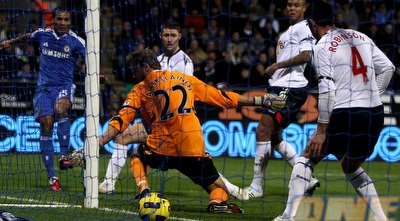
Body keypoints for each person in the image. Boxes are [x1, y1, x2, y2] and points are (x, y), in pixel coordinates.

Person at [98, 47, 285, 213]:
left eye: (134, 69)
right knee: (219, 189)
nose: (132, 74)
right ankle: (216, 202)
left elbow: (122, 119)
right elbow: (223, 98)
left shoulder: (140, 88)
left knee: (138, 155)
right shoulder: (187, 80)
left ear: (146, 67)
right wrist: (260, 100)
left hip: (161, 148)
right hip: (192, 148)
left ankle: (144, 191)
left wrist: (98, 143)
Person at [273, 1, 394, 220]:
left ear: (311, 23)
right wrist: (369, 94)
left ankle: (287, 217)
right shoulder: (360, 36)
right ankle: (381, 218)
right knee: (350, 165)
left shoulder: (321, 46)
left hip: (346, 112)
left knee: (308, 157)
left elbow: (327, 89)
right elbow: (388, 68)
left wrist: (321, 130)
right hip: (374, 114)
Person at [0, 8, 85, 191]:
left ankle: (64, 156)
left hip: (63, 86)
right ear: (53, 20)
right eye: (59, 19)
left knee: (60, 110)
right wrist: (9, 42)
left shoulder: (77, 41)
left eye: (66, 19)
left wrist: (97, 72)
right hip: (43, 88)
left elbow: (91, 58)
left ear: (70, 21)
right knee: (46, 125)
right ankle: (52, 177)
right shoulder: (43, 34)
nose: (63, 22)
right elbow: (27, 36)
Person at [244, 0, 320, 198]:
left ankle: (256, 187)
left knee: (262, 131)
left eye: (296, 5)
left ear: (305, 7)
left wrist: (277, 66)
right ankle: (307, 179)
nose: (292, 8)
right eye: (289, 4)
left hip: (290, 86)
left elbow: (306, 56)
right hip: (280, 86)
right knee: (275, 137)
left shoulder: (305, 28)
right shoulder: (288, 31)